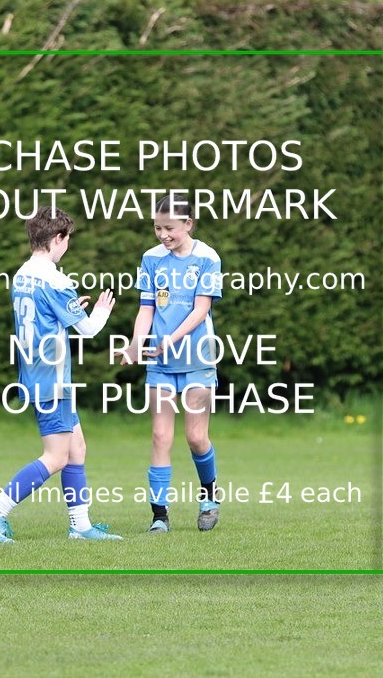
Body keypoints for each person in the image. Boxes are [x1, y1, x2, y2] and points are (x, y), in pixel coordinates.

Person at [0, 206, 122, 543]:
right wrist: (100, 312)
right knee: (56, 456)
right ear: (58, 238)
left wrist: (67, 310)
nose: (67, 245)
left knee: (77, 448)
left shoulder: (23, 274)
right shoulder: (56, 279)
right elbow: (87, 330)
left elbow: (44, 316)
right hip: (51, 378)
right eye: (67, 238)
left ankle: (80, 526)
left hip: (37, 372)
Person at [118, 195, 223, 533]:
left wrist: (171, 340)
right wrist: (136, 344)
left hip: (197, 359)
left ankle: (209, 496)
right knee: (160, 435)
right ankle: (159, 516)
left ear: (188, 224)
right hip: (160, 362)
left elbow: (200, 310)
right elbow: (146, 307)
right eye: (157, 227)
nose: (162, 234)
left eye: (170, 228)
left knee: (196, 437)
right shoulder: (151, 259)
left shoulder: (207, 258)